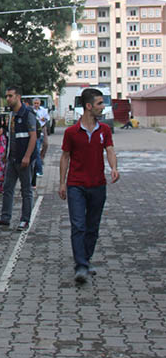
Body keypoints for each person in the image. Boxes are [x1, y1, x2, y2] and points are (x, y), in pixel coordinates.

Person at [59, 88, 119, 284]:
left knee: (93, 226)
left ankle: (86, 258)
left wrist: (113, 168)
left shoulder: (105, 130)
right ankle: (81, 265)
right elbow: (65, 157)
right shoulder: (71, 132)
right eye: (100, 103)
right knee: (78, 225)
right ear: (89, 106)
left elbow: (109, 150)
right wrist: (62, 183)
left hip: (97, 185)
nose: (103, 107)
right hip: (76, 185)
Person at [0, 87, 37, 231]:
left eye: (10, 96)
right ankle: (5, 217)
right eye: (7, 96)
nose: (8, 99)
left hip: (24, 159)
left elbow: (33, 137)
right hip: (12, 158)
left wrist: (27, 156)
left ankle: (25, 220)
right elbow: (10, 137)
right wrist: (6, 154)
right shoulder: (11, 115)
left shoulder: (27, 114)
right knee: (7, 188)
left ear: (18, 96)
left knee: (26, 190)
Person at [32, 98, 50, 177]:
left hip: (42, 127)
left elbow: (48, 117)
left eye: (37, 103)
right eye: (35, 103)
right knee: (37, 146)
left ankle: (41, 157)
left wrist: (44, 118)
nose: (36, 105)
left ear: (39, 103)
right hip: (36, 129)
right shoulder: (32, 111)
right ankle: (38, 163)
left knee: (46, 144)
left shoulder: (43, 110)